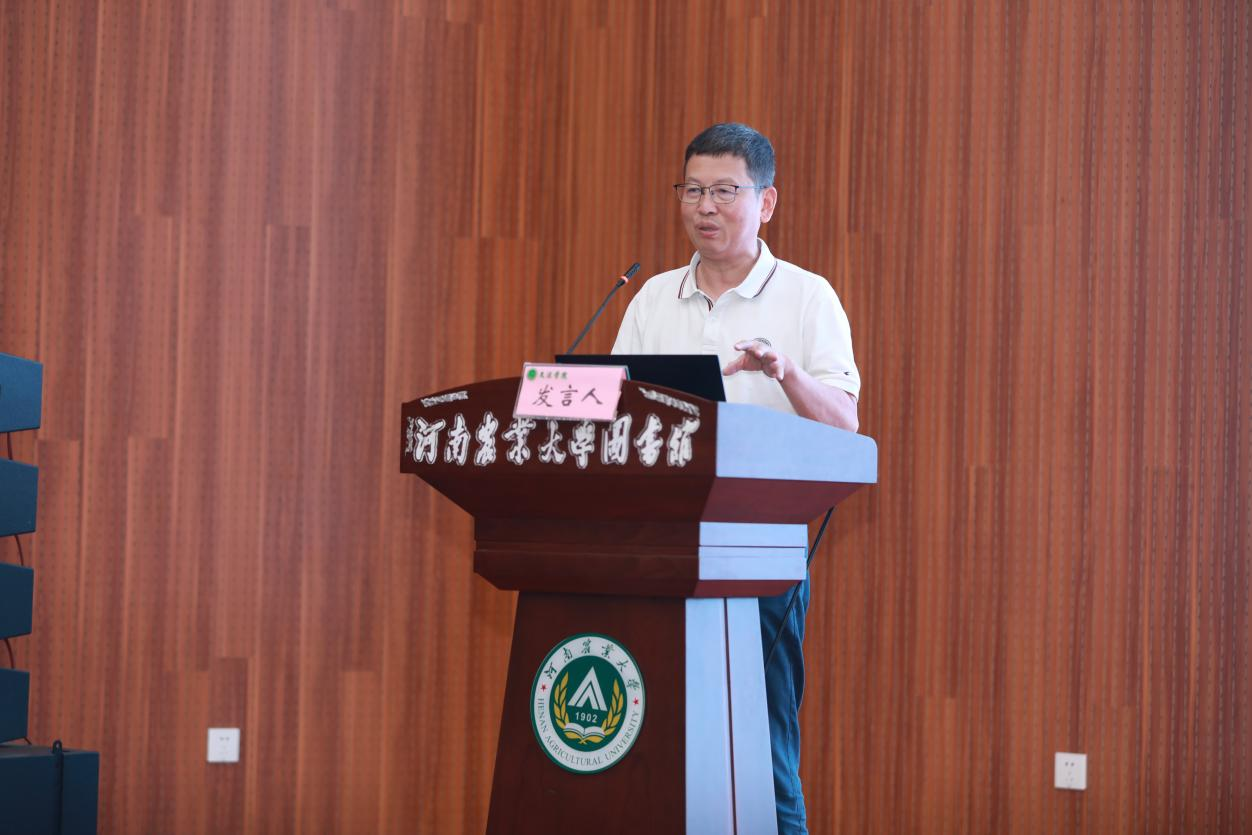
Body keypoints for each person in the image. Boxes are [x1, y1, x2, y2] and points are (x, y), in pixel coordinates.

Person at [611, 122, 860, 834]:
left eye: (724, 191)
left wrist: (786, 373)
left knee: (762, 749)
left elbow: (844, 423)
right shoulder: (652, 298)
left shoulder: (808, 297)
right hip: (657, 551)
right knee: (655, 743)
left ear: (766, 201)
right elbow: (612, 413)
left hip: (760, 552)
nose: (704, 206)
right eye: (692, 190)